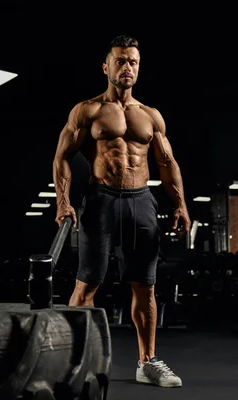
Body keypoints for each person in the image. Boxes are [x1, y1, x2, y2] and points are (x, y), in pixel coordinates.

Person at [52, 34, 192, 388]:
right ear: (106, 67)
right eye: (120, 60)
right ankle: (71, 361)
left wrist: (181, 206)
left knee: (145, 287)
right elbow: (62, 158)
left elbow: (168, 162)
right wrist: (63, 201)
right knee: (87, 284)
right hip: (101, 201)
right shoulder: (88, 110)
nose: (127, 67)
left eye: (133, 62)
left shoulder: (151, 115)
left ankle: (147, 362)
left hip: (142, 202)